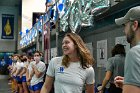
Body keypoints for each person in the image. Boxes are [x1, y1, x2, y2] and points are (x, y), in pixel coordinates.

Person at [114, 6, 140, 93]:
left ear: (134, 25)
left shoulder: (135, 52)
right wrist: (131, 83)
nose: (124, 31)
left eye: (125, 25)